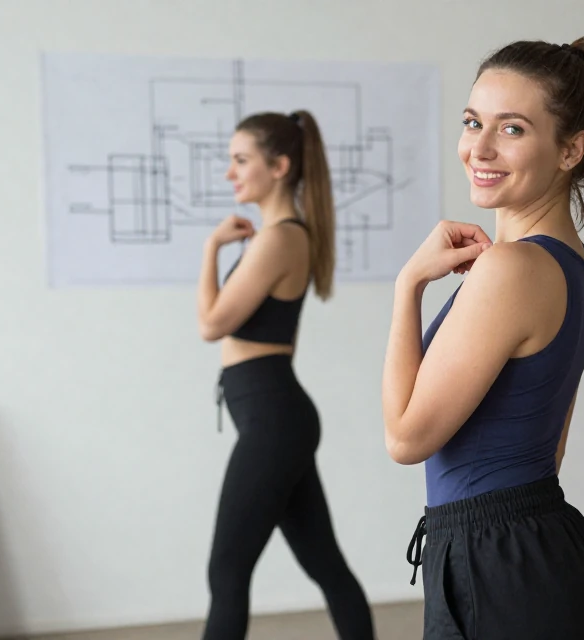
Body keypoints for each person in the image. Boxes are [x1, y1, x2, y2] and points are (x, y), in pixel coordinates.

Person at [381, 36, 584, 640]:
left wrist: (408, 286)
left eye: (512, 128)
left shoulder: (511, 269)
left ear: (571, 149)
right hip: (535, 549)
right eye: (473, 122)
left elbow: (406, 438)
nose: (480, 148)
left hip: (497, 565)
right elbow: (553, 446)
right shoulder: (572, 263)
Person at [196, 110, 375, 639]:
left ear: (278, 167)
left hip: (274, 421)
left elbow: (211, 324)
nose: (230, 172)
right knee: (326, 566)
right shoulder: (280, 237)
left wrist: (210, 249)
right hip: (276, 418)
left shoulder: (279, 239)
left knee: (227, 571)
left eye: (240, 160)